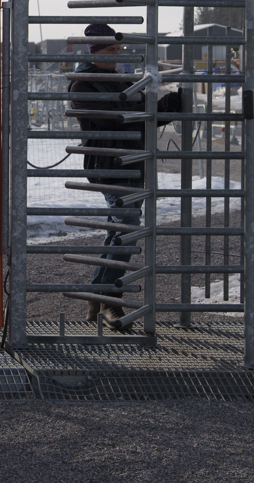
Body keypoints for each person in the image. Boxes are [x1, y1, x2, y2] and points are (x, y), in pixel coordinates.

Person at [69, 23, 181, 328]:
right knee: (127, 227)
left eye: (119, 49)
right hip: (108, 165)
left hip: (133, 162)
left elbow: (143, 115)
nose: (116, 55)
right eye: (111, 49)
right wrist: (149, 102)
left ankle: (96, 296)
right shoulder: (82, 84)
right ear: (94, 51)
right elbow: (116, 119)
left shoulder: (120, 80)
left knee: (118, 230)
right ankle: (109, 298)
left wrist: (170, 103)